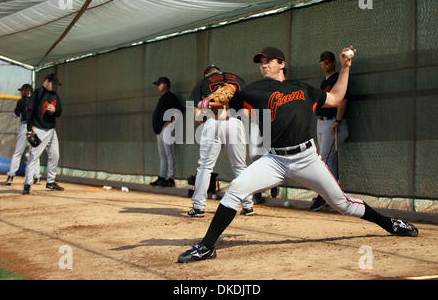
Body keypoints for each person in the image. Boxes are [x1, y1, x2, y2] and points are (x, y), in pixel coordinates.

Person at [178, 46, 418, 263]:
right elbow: (217, 108)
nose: (264, 64)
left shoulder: (302, 88)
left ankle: (390, 224)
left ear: (282, 64)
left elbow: (335, 98)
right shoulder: (253, 91)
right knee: (235, 190)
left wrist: (345, 67)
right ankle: (207, 246)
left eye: (269, 60)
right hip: (275, 160)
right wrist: (208, 105)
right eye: (261, 62)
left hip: (307, 159)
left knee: (343, 204)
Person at [187, 65, 254, 217]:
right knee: (240, 167)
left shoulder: (203, 82)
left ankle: (198, 207)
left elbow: (194, 110)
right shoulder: (237, 79)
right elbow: (247, 108)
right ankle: (248, 205)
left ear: (207, 75)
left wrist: (205, 120)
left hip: (213, 121)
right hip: (235, 122)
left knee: (205, 166)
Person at [310, 51, 349, 212]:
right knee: (329, 160)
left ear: (333, 62)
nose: (325, 64)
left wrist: (338, 120)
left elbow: (343, 99)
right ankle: (332, 196)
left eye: (328, 61)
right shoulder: (325, 81)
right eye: (323, 62)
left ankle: (325, 196)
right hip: (322, 122)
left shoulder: (336, 78)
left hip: (333, 123)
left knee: (324, 160)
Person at [22, 73, 64, 195]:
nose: (55, 86)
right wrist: (29, 130)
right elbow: (30, 111)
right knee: (34, 157)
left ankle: (50, 182)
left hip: (51, 130)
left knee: (55, 155)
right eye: (53, 83)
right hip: (39, 129)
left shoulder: (55, 95)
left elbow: (60, 111)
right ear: (46, 81)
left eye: (56, 84)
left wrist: (55, 110)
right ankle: (27, 184)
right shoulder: (38, 93)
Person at [150, 77, 184, 187]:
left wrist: (172, 123)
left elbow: (178, 110)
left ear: (164, 85)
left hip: (166, 129)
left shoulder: (170, 97)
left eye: (159, 84)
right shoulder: (164, 97)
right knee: (163, 155)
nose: (157, 87)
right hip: (160, 129)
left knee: (169, 154)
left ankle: (170, 178)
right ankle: (162, 176)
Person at [5, 84, 41, 186]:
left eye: (23, 90)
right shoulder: (37, 100)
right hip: (36, 128)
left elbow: (15, 115)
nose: (21, 92)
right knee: (34, 153)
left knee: (17, 153)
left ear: (28, 90)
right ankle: (37, 177)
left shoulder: (21, 101)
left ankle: (10, 176)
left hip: (26, 126)